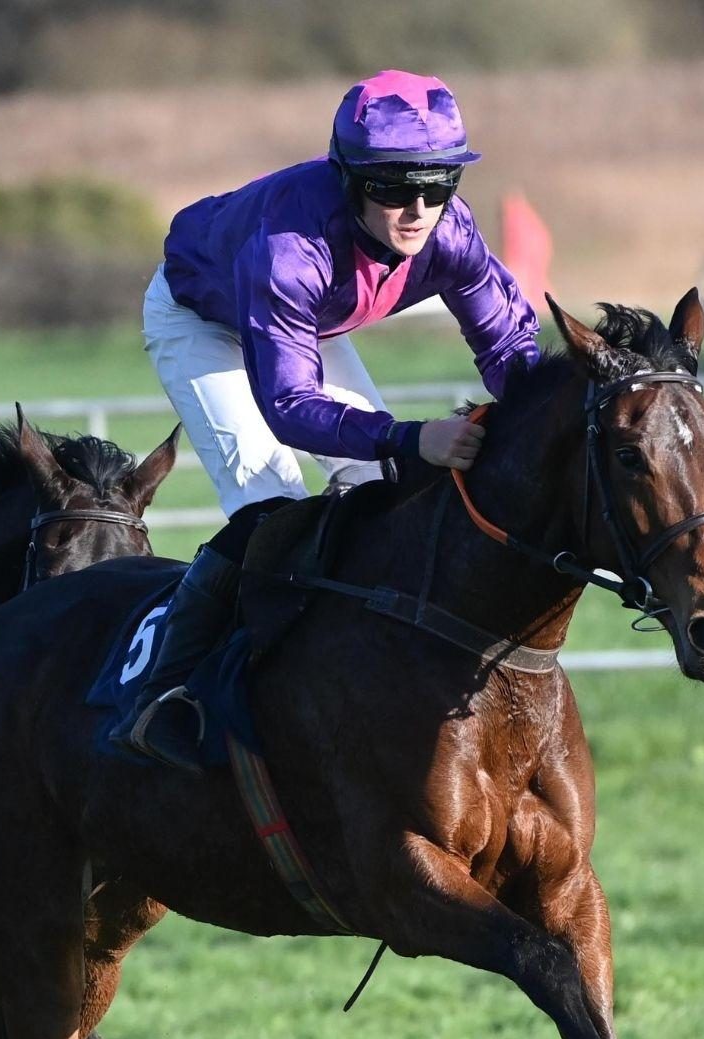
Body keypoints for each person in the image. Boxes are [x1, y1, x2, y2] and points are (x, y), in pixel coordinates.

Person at [117, 71, 543, 770]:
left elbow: (508, 349)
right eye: (392, 187)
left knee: (385, 484)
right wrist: (410, 436)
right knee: (272, 504)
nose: (417, 209)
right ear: (348, 180)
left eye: (438, 187)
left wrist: (546, 414)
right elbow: (288, 407)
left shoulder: (452, 234)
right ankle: (162, 696)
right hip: (204, 320)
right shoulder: (291, 247)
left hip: (307, 322)